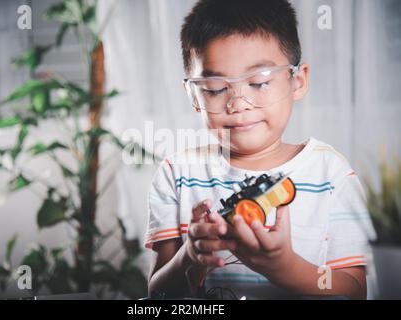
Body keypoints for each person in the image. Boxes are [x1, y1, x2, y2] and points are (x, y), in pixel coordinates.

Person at [145, 0, 375, 300]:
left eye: (258, 82)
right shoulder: (177, 173)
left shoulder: (331, 173)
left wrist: (286, 268)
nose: (238, 103)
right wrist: (189, 256)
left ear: (298, 80)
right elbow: (156, 294)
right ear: (194, 94)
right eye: (215, 88)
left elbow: (354, 290)